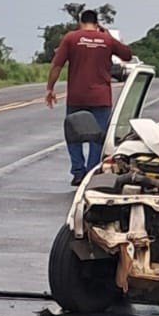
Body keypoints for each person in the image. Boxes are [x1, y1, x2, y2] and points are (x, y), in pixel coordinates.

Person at [45, 9, 133, 184]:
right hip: (101, 97)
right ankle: (92, 172)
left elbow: (57, 65)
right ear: (97, 22)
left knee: (73, 134)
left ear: (80, 22)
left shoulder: (71, 38)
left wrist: (50, 88)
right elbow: (127, 55)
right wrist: (108, 35)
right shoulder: (107, 40)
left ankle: (78, 171)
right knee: (98, 136)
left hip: (77, 96)